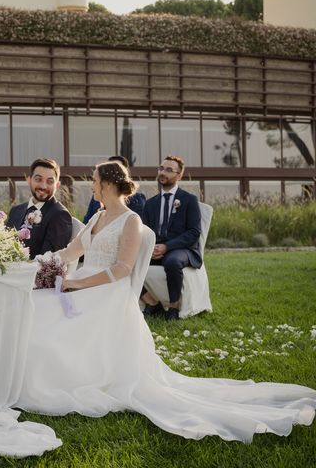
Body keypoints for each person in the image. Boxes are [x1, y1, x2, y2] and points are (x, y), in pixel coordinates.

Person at [16, 160, 316, 442]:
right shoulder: (97, 215)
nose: (91, 186)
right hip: (82, 286)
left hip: (107, 292)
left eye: (94, 181)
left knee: (48, 325)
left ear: (107, 183)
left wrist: (78, 283)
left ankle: (56, 378)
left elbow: (122, 269)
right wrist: (39, 267)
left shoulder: (130, 220)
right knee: (40, 308)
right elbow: (71, 251)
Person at [140, 155, 201, 320]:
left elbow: (194, 233)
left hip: (182, 249)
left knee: (172, 262)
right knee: (128, 261)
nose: (163, 172)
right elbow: (144, 231)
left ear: (179, 175)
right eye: (161, 168)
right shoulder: (150, 203)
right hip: (155, 248)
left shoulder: (189, 200)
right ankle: (151, 302)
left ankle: (174, 306)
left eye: (168, 170)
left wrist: (167, 247)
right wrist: (150, 248)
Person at [6, 158, 72, 260]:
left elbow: (47, 262)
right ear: (29, 180)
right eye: (38, 179)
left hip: (30, 274)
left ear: (57, 185)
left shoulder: (60, 215)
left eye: (50, 181)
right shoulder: (15, 211)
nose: (43, 186)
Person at [83, 155, 145, 223]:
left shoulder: (132, 216)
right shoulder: (97, 214)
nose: (92, 187)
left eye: (116, 169)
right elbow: (86, 222)